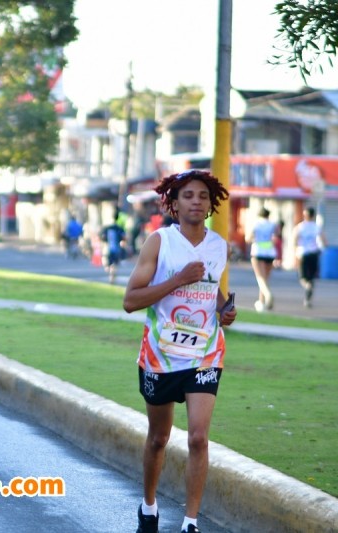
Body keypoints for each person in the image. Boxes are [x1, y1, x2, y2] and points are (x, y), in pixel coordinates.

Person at [123, 169, 237, 533]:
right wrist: (177, 280)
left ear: (211, 204)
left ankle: (190, 522)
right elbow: (130, 301)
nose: (196, 202)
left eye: (203, 196)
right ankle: (148, 506)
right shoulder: (159, 242)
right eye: (188, 196)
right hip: (161, 355)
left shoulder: (219, 246)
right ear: (174, 204)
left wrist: (224, 310)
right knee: (159, 438)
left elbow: (211, 290)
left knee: (198, 438)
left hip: (205, 353)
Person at [246, 207, 279, 311]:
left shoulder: (256, 224)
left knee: (260, 277)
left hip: (258, 251)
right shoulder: (273, 225)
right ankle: (261, 301)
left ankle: (268, 295)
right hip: (270, 251)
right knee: (265, 278)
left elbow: (248, 238)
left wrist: (255, 240)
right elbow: (276, 237)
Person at [293, 207, 327, 308]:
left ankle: (307, 287)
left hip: (303, 253)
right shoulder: (317, 227)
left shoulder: (300, 227)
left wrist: (295, 252)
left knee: (303, 277)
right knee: (311, 277)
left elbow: (294, 240)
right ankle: (308, 299)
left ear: (305, 215)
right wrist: (321, 250)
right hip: (314, 253)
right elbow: (324, 242)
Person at [100, 216, 126, 283]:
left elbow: (102, 237)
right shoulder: (119, 229)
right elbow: (124, 237)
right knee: (114, 264)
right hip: (116, 248)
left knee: (108, 263)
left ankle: (111, 275)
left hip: (108, 248)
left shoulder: (106, 228)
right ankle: (112, 276)